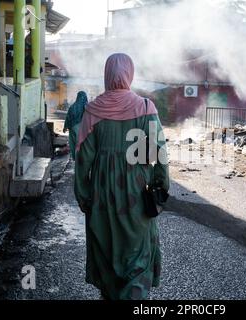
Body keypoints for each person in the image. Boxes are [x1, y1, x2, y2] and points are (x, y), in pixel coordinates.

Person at [74, 53, 170, 300]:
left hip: (102, 196)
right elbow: (158, 154)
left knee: (107, 257)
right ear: (130, 74)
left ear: (107, 75)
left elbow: (83, 161)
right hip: (136, 195)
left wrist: (85, 197)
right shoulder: (145, 108)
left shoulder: (93, 111)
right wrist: (159, 188)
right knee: (137, 259)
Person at [63, 91, 88, 160]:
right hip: (80, 128)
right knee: (79, 143)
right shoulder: (85, 106)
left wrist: (65, 127)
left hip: (71, 128)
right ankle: (79, 158)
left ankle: (75, 157)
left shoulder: (72, 107)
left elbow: (68, 117)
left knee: (72, 143)